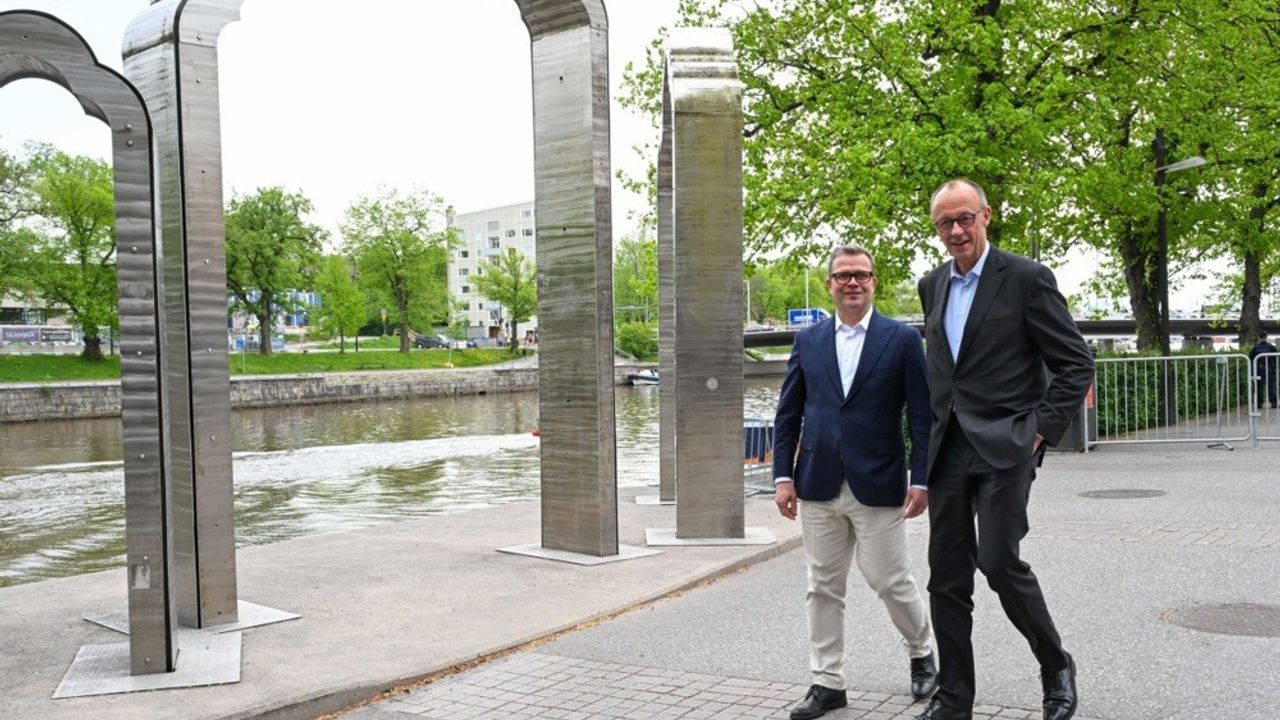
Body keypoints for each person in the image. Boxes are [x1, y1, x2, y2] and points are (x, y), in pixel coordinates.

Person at [914, 179, 1094, 720]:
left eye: (964, 218)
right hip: (948, 449)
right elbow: (946, 372)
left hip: (1005, 446)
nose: (956, 230)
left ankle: (1056, 664)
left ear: (986, 216)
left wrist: (1038, 431)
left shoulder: (1026, 278)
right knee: (946, 578)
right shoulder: (932, 285)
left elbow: (1075, 362)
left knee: (997, 561)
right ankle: (954, 700)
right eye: (945, 223)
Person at [773, 245, 937, 720]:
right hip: (817, 483)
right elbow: (788, 414)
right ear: (829, 284)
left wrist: (922, 479)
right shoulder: (808, 341)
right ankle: (828, 683)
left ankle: (922, 651)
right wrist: (783, 476)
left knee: (890, 580)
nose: (852, 283)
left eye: (861, 275)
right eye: (843, 275)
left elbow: (922, 417)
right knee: (822, 587)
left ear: (873, 282)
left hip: (879, 482)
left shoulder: (901, 340)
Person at [1248, 332, 1277, 410]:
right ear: (1266, 337)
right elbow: (1275, 357)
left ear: (1259, 337)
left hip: (1259, 368)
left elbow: (1250, 358)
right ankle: (1274, 403)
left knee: (1259, 386)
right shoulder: (1271, 347)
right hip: (1269, 368)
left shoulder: (1255, 347)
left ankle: (1259, 403)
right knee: (1271, 386)